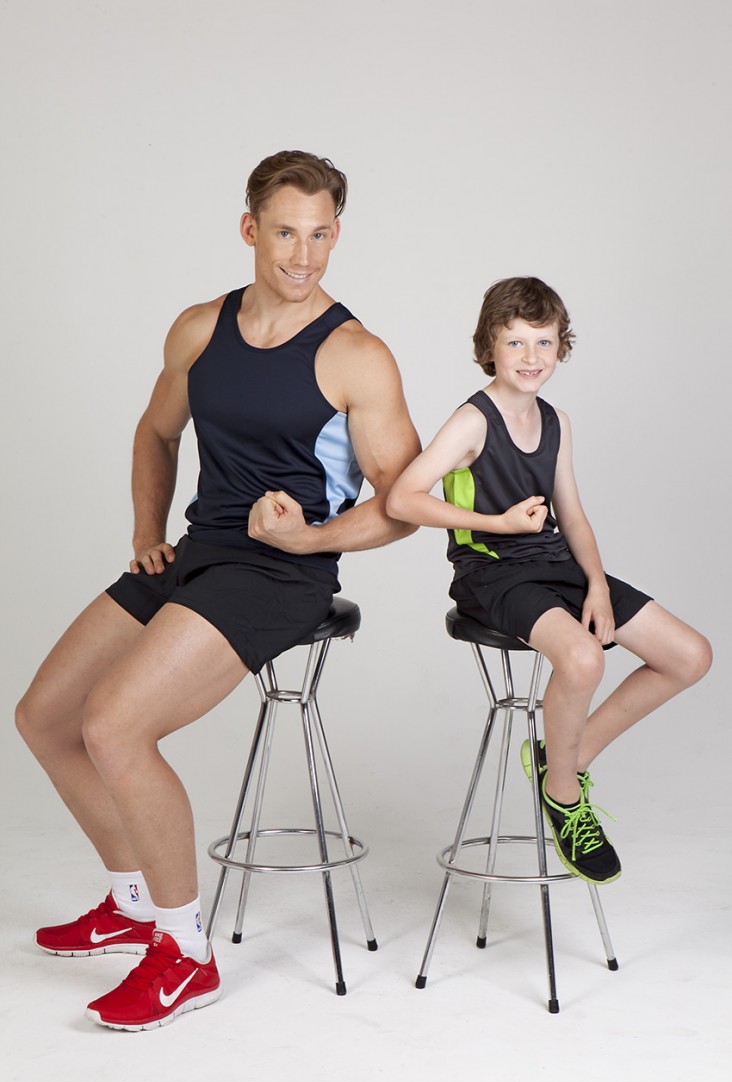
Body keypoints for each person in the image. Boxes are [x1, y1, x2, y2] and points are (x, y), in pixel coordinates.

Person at [15, 150, 420, 1031]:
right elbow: (156, 433)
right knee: (44, 718)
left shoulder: (356, 355)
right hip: (199, 554)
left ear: (337, 235)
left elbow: (403, 504)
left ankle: (185, 952)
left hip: (282, 573)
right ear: (249, 230)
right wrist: (146, 534)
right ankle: (131, 903)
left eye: (321, 235)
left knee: (113, 725)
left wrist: (308, 537)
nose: (305, 255)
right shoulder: (200, 329)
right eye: (286, 233)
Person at [387, 276, 711, 885]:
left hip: (555, 564)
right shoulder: (472, 421)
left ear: (562, 346)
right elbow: (402, 499)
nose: (531, 356)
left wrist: (596, 584)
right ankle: (564, 795)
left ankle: (563, 759)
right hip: (491, 572)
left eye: (544, 342)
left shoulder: (556, 421)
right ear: (489, 345)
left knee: (690, 656)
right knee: (584, 659)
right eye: (515, 342)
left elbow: (574, 515)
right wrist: (498, 523)